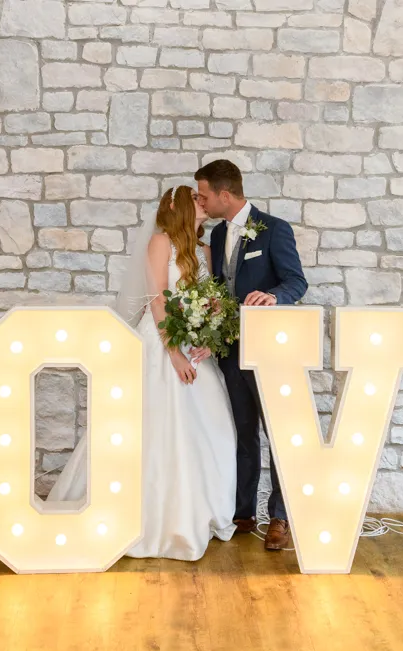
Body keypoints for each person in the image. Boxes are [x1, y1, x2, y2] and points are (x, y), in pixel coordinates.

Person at [46, 185, 237, 562]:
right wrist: (174, 354)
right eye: (197, 200)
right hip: (162, 344)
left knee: (211, 428)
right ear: (180, 207)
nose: (204, 204)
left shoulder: (205, 250)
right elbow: (158, 300)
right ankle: (148, 517)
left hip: (195, 347)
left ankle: (198, 511)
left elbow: (215, 299)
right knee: (155, 429)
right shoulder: (160, 243)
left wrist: (208, 341)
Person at [194, 159, 308, 552]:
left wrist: (275, 297)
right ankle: (244, 511)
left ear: (225, 195)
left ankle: (280, 516)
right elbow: (222, 289)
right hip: (229, 353)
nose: (201, 202)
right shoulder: (215, 236)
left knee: (276, 432)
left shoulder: (275, 229)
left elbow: (297, 281)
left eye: (204, 195)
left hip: (267, 350)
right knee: (242, 431)